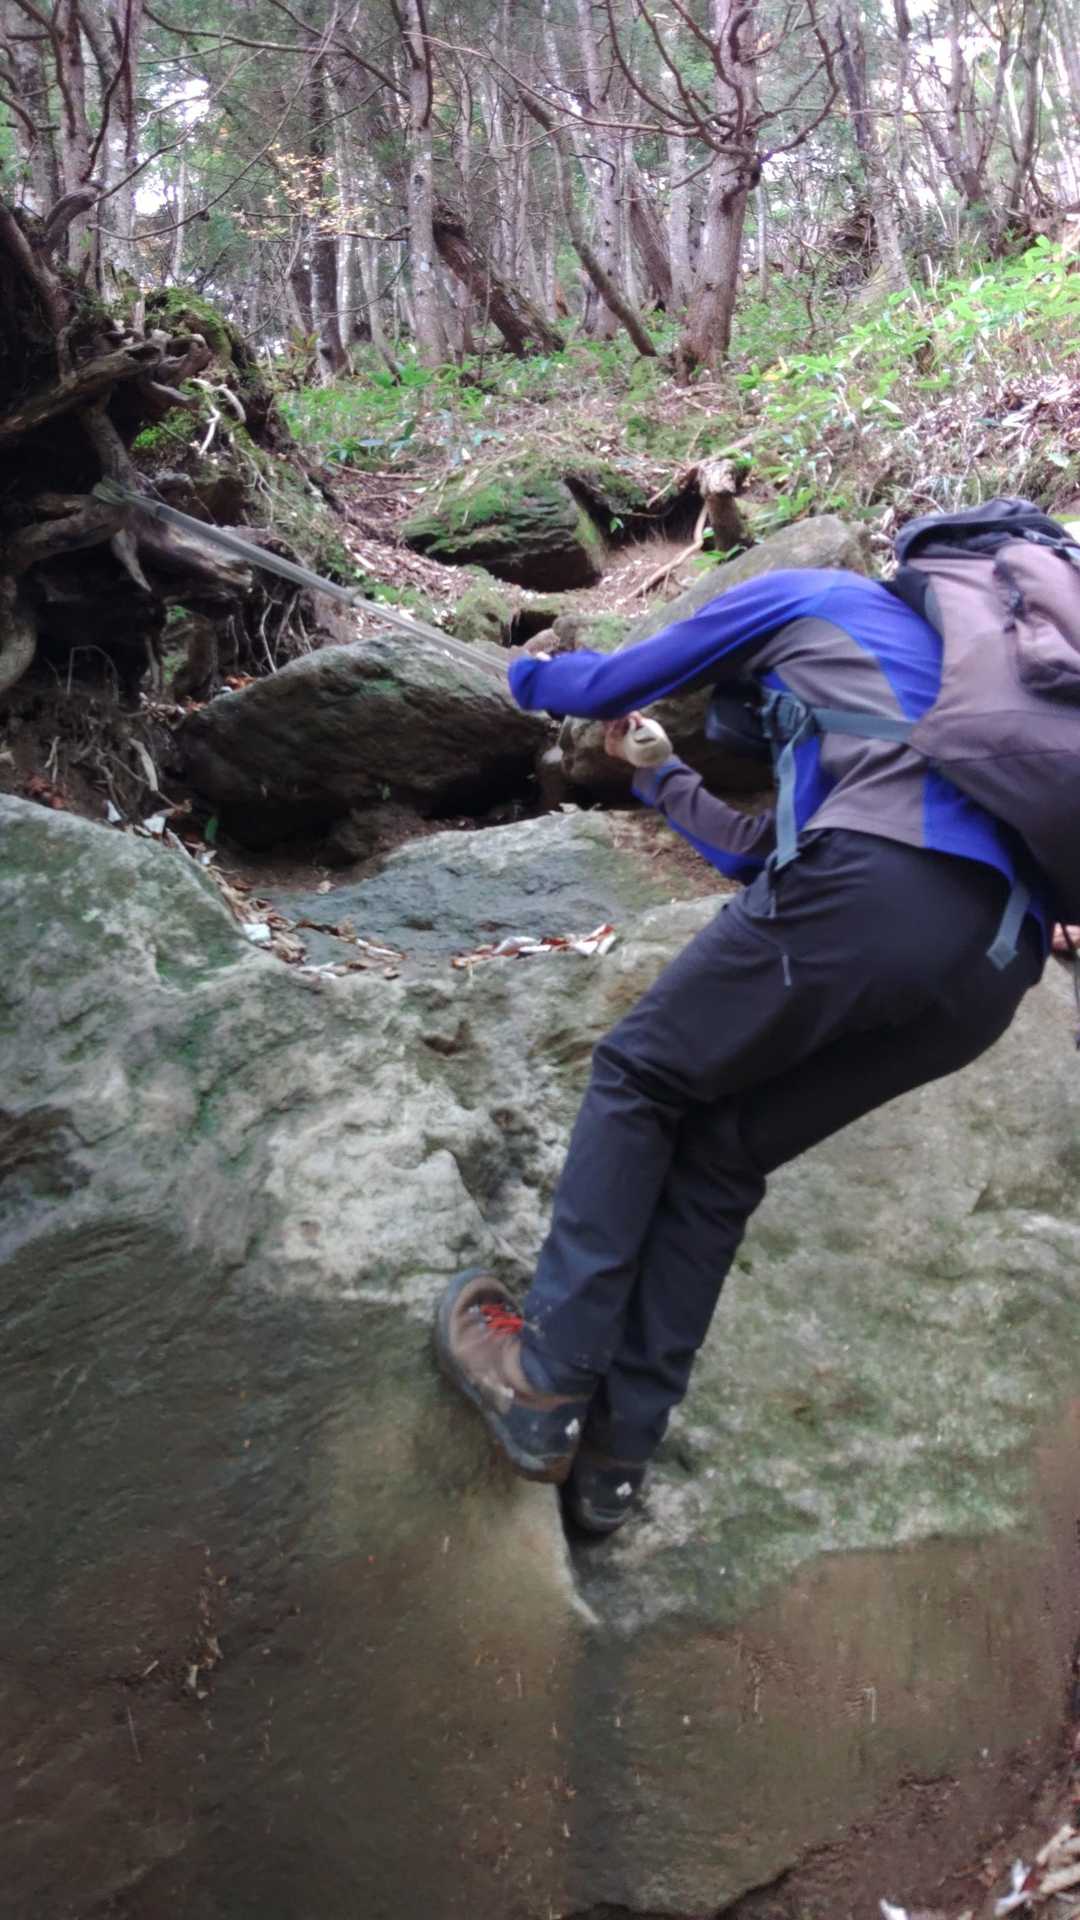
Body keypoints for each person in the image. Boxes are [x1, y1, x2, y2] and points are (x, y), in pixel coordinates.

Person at [434, 564, 1053, 1535]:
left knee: (638, 1074)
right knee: (721, 1157)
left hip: (879, 891)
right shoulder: (957, 702)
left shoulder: (813, 594)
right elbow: (760, 851)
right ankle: (616, 1460)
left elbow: (607, 683)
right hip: (993, 974)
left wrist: (521, 677)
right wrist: (660, 774)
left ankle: (544, 1380)